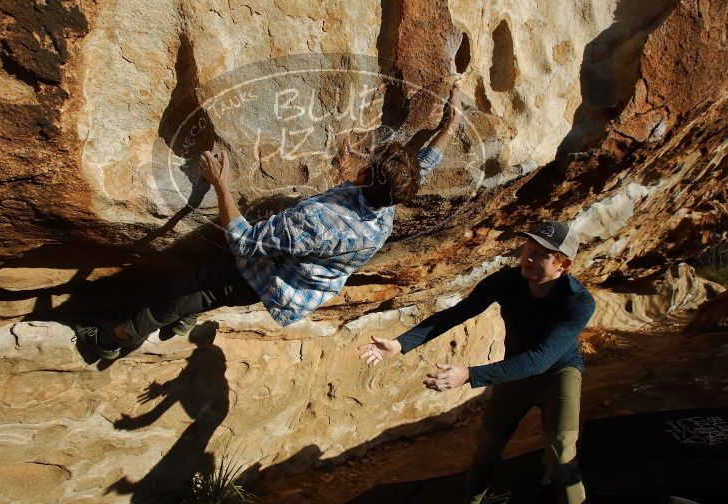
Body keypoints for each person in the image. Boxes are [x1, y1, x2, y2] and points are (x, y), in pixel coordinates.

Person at [76, 86, 466, 360]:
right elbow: (423, 166)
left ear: (366, 178)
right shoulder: (387, 204)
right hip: (290, 280)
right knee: (208, 289)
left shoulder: (320, 222)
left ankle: (112, 340)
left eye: (367, 162)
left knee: (185, 290)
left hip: (263, 276)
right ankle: (187, 318)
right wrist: (449, 125)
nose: (362, 159)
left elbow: (245, 243)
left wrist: (221, 186)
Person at [358, 221, 595, 504]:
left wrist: (469, 375)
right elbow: (456, 313)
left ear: (563, 264)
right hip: (514, 374)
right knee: (486, 448)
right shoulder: (506, 282)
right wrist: (402, 343)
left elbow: (540, 360)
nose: (528, 257)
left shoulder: (578, 301)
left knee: (561, 459)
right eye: (528, 249)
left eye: (540, 254)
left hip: (557, 375)